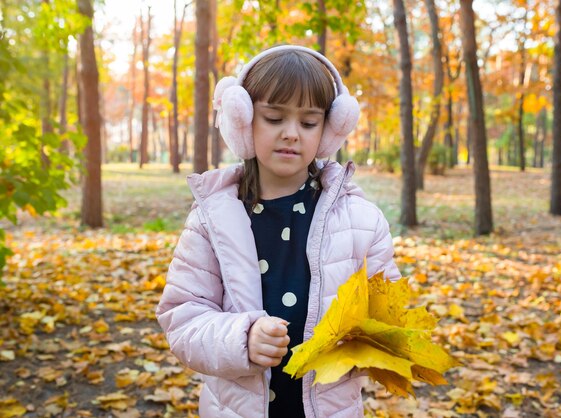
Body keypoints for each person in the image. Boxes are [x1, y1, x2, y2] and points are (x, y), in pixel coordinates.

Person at [156, 44, 401, 418]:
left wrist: (371, 342)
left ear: (329, 130)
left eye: (308, 122)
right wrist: (241, 339)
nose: (291, 134)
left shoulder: (363, 222)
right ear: (242, 121)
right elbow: (184, 317)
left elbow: (386, 318)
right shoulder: (212, 220)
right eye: (274, 118)